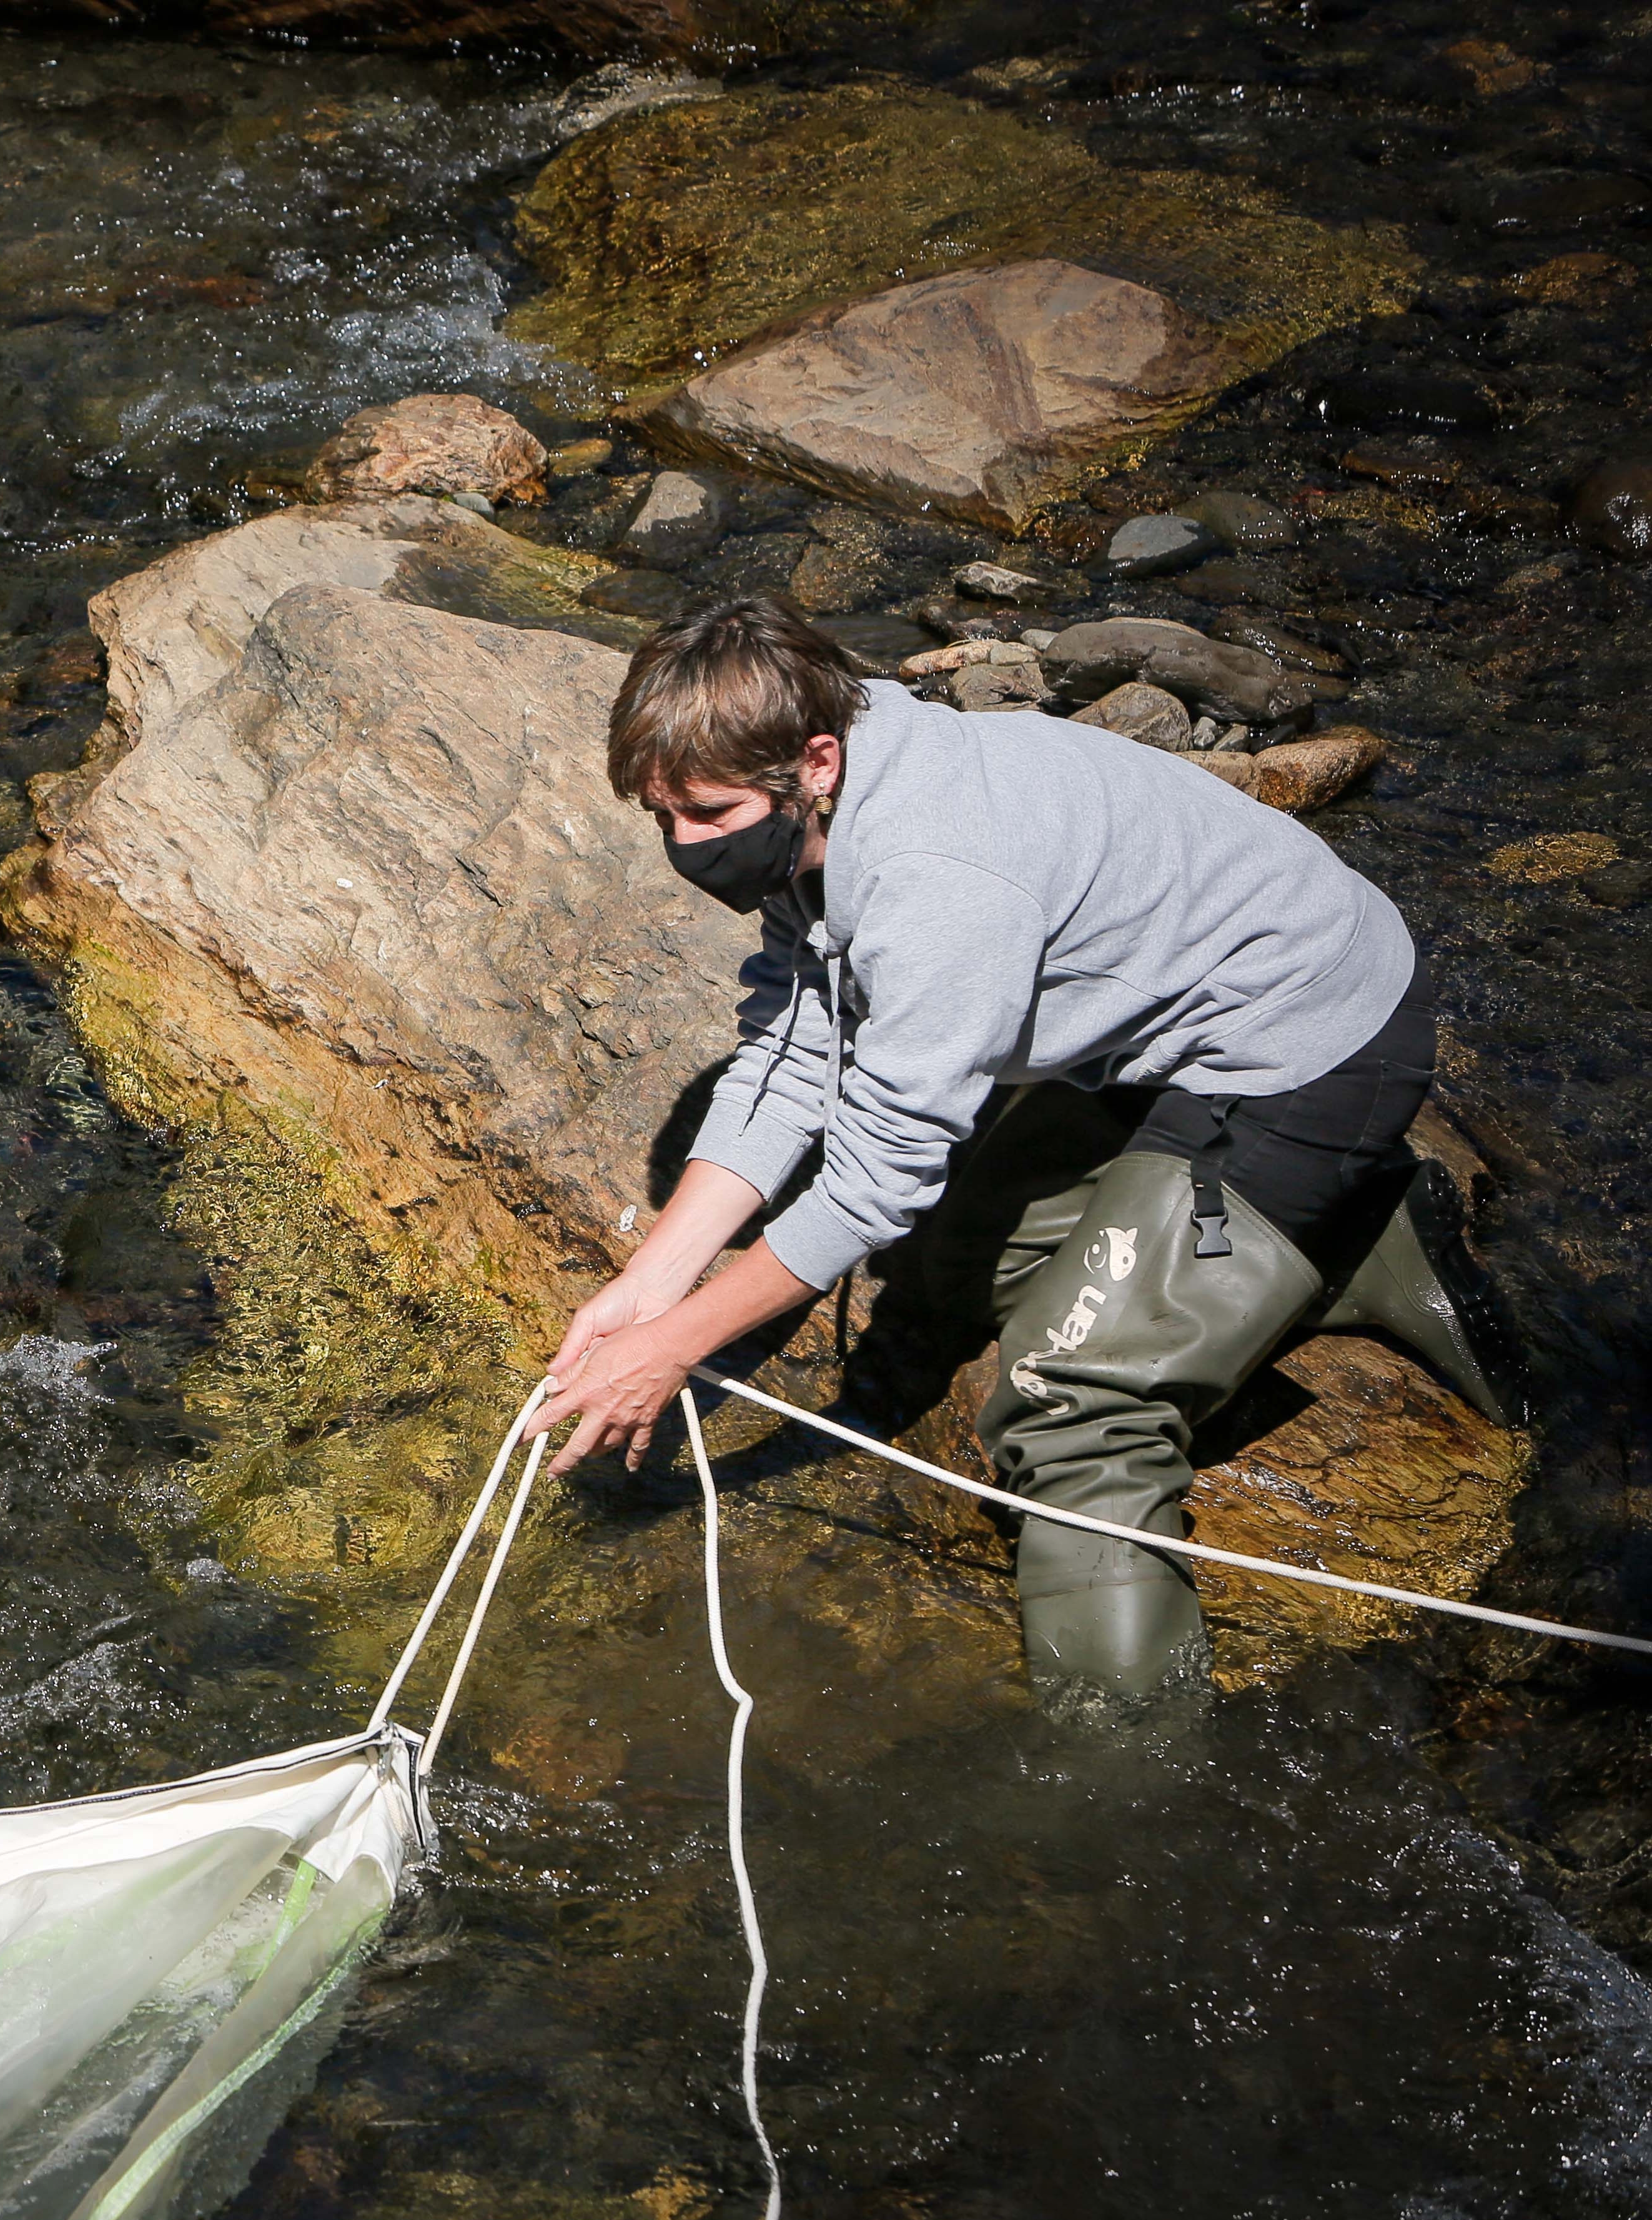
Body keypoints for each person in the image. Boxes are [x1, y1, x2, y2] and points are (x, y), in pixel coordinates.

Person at [530, 596, 1515, 1703]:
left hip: (1303, 1054)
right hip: (1152, 1057)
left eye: (707, 814)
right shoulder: (826, 804)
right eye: (663, 819)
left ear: (814, 757)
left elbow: (873, 1177)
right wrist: (651, 1284)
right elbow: (799, 1055)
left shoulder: (940, 872)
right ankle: (1340, 1242)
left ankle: (1123, 1763)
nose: (686, 847)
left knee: (1068, 1399)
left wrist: (680, 1348)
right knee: (951, 1272)